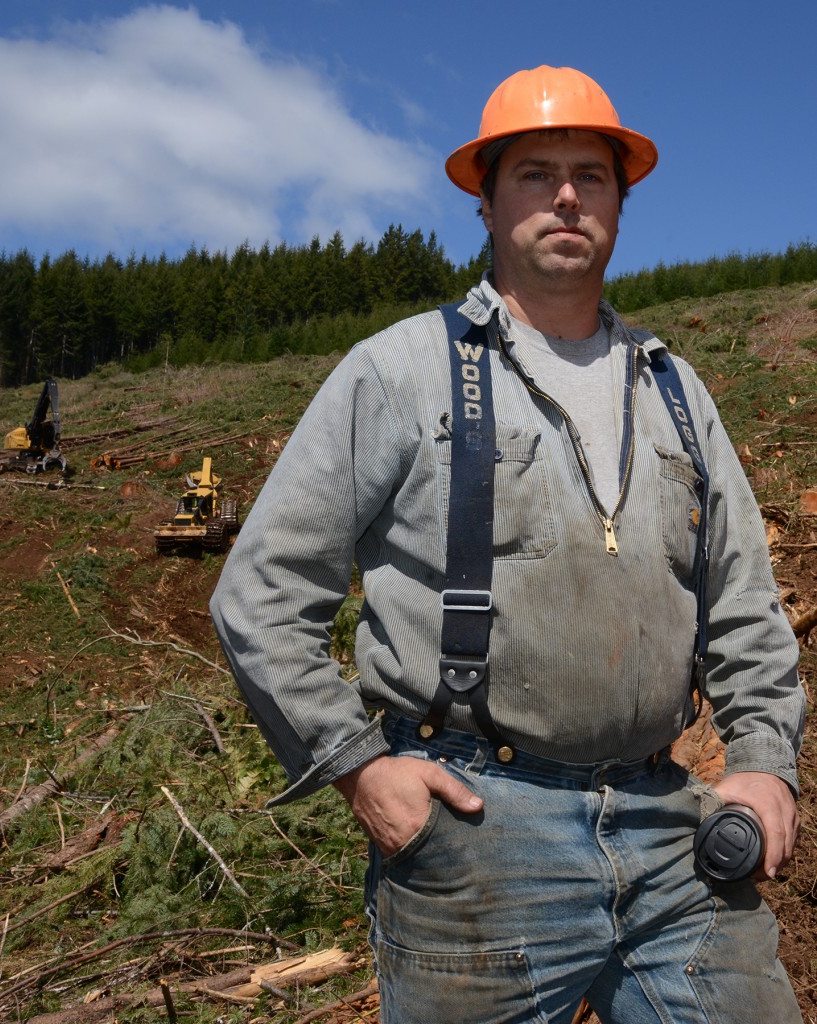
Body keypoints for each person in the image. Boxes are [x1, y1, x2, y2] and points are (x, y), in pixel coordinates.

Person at [210, 65, 805, 1024]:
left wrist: (763, 762)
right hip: (478, 834)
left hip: (668, 828)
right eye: (534, 173)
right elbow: (262, 592)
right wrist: (360, 768)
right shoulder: (400, 370)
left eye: (591, 174)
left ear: (619, 202)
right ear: (485, 203)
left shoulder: (674, 391)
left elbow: (743, 603)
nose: (567, 195)